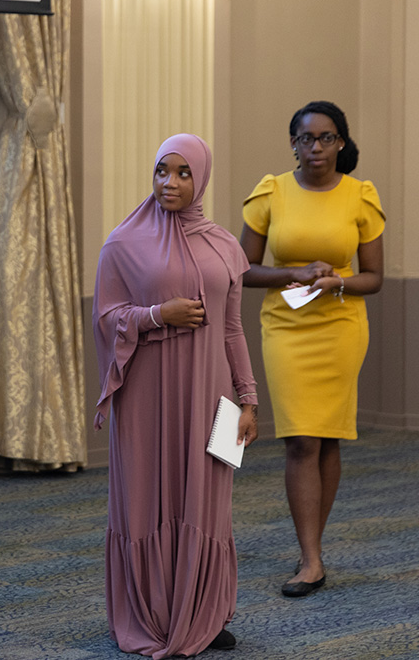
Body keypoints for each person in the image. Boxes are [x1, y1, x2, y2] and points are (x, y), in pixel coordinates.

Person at [93, 134, 258, 658]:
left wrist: (249, 400)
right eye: (162, 170)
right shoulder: (123, 243)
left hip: (212, 397)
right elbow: (105, 318)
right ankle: (152, 613)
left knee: (208, 501)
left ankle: (205, 611)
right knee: (145, 497)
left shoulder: (225, 245)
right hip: (144, 397)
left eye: (183, 173)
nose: (169, 182)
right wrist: (156, 316)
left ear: (202, 178)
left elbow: (232, 329)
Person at [239, 101, 384, 598]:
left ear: (341, 142)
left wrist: (336, 282)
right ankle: (311, 557)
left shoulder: (360, 197)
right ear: (293, 144)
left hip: (340, 328)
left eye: (325, 138)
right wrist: (293, 274)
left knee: (328, 437)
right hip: (286, 328)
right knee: (300, 438)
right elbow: (242, 269)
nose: (315, 147)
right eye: (305, 138)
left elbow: (374, 278)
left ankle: (311, 554)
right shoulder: (272, 192)